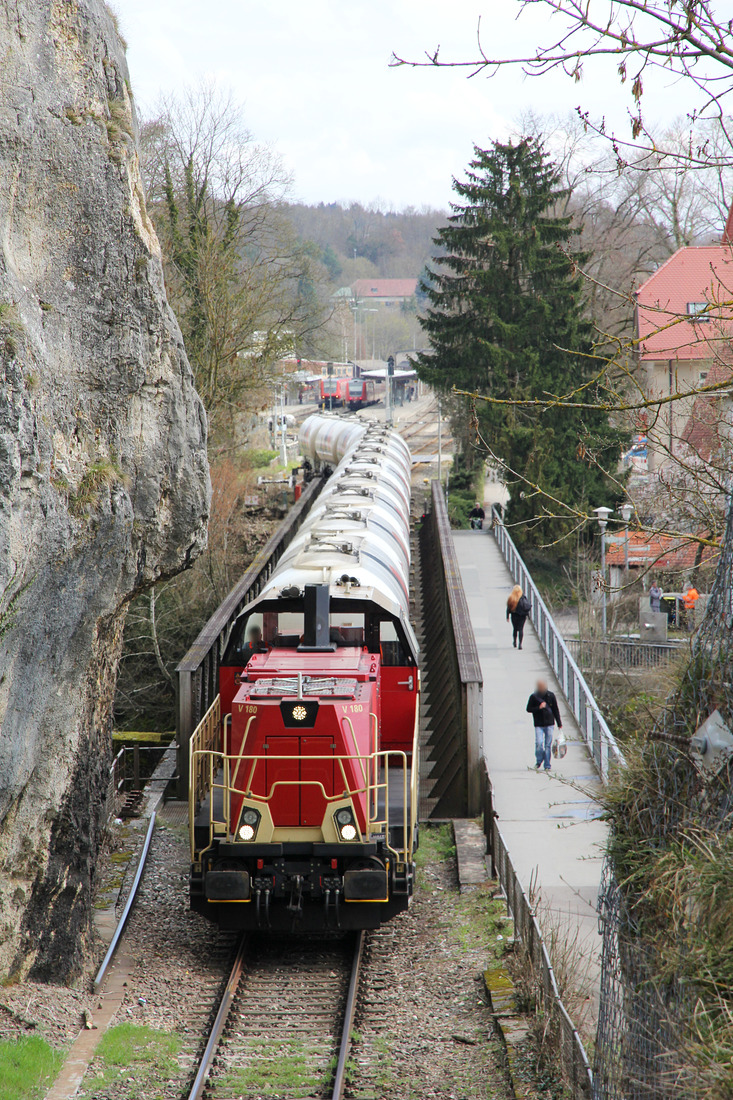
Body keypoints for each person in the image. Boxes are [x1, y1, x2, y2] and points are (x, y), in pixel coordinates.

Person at [526, 679, 563, 772]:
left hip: (549, 723)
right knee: (539, 743)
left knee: (547, 745)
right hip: (538, 724)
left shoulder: (551, 696)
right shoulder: (534, 697)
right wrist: (539, 707)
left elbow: (555, 710)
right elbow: (528, 709)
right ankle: (539, 760)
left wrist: (559, 723)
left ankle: (547, 765)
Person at [506, 584, 531, 649]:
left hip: (514, 615)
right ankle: (520, 644)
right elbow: (526, 606)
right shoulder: (523, 598)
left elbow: (508, 608)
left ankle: (514, 641)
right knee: (521, 629)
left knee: (515, 629)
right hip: (522, 616)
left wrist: (507, 616)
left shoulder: (511, 598)